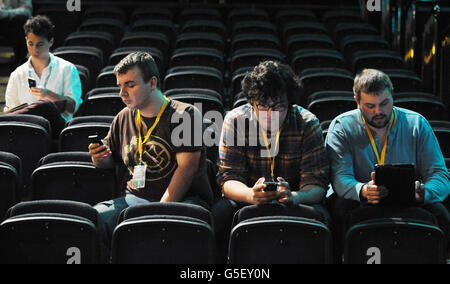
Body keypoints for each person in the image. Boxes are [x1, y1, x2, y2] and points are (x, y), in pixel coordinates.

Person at [88, 52, 213, 259]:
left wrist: (159, 211)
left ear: (152, 83)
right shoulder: (124, 116)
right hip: (134, 198)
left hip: (183, 201)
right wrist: (99, 157)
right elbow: (110, 162)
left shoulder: (185, 115)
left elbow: (187, 168)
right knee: (93, 219)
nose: (122, 93)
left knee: (175, 230)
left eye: (130, 85)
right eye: (120, 86)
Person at [325, 68, 450, 260]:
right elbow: (340, 178)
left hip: (408, 198)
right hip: (362, 199)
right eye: (370, 106)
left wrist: (424, 192)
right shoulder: (342, 126)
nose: (379, 112)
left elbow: (440, 174)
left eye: (384, 103)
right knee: (339, 209)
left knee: (441, 213)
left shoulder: (416, 123)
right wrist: (362, 190)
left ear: (392, 97)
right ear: (357, 102)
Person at [213, 61, 330, 263]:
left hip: (294, 196)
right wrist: (251, 194)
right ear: (251, 103)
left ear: (290, 103)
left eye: (278, 107)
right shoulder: (235, 120)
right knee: (220, 214)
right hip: (247, 194)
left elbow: (317, 186)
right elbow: (228, 179)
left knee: (323, 217)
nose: (270, 114)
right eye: (263, 107)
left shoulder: (307, 123)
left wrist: (294, 196)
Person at [3, 15, 82, 137]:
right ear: (25, 41)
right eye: (30, 44)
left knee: (45, 105)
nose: (35, 50)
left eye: (40, 44)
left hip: (56, 131)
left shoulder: (67, 69)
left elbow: (73, 108)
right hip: (25, 130)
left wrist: (49, 95)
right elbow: (11, 112)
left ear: (51, 42)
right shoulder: (17, 74)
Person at [0, 0, 32, 66]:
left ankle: (19, 60)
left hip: (17, 22)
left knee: (19, 20)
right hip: (5, 21)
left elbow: (27, 12)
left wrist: (6, 13)